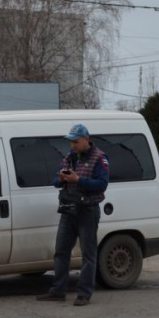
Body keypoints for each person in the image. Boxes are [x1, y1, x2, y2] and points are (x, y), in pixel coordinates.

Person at [37, 124, 109, 307]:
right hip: (69, 210)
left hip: (87, 211)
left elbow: (102, 184)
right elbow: (55, 181)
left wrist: (79, 180)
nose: (73, 145)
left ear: (86, 139)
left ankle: (84, 294)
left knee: (88, 254)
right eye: (71, 142)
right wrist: (61, 179)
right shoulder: (69, 158)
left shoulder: (99, 158)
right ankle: (58, 291)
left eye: (76, 142)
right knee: (61, 251)